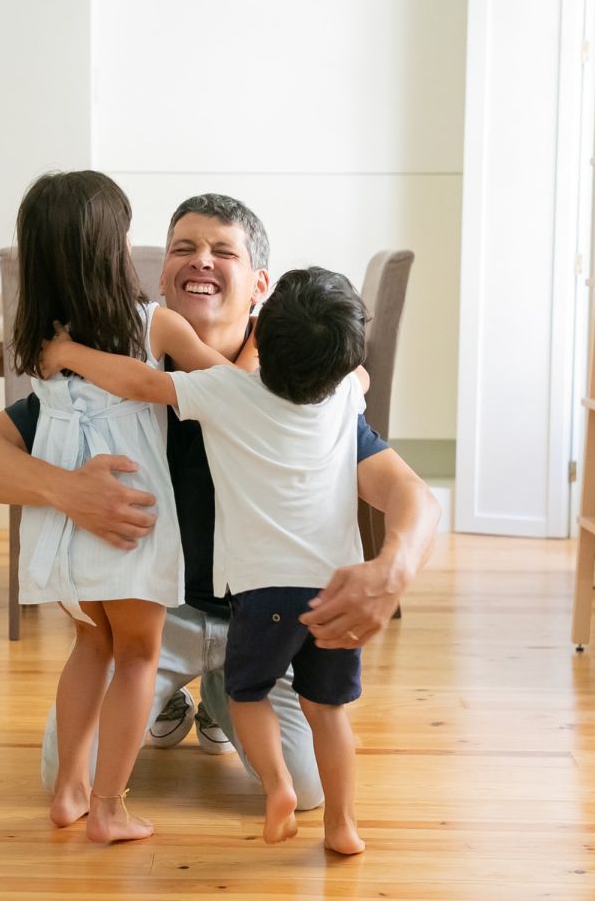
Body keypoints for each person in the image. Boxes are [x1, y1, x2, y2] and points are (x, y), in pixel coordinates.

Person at [0, 192, 440, 814]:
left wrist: (393, 566)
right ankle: (174, 698)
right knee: (60, 774)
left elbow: (410, 494)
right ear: (161, 274)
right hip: (160, 615)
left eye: (222, 250)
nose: (200, 260)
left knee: (308, 791)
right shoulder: (116, 378)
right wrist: (69, 490)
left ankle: (222, 696)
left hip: (262, 616)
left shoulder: (302, 388)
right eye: (184, 247)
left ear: (259, 283)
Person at [40, 266, 375, 853]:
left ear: (260, 336)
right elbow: (358, 377)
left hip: (260, 595)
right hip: (334, 593)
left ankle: (275, 786)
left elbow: (142, 385)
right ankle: (344, 827)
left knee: (247, 694)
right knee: (329, 712)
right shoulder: (345, 397)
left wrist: (67, 351)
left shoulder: (230, 394)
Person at [8, 171, 243, 844]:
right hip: (127, 510)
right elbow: (208, 383)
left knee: (91, 641)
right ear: (109, 248)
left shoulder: (40, 343)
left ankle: (69, 792)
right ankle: (108, 806)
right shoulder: (150, 324)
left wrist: (72, 353)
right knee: (137, 655)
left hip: (63, 513)